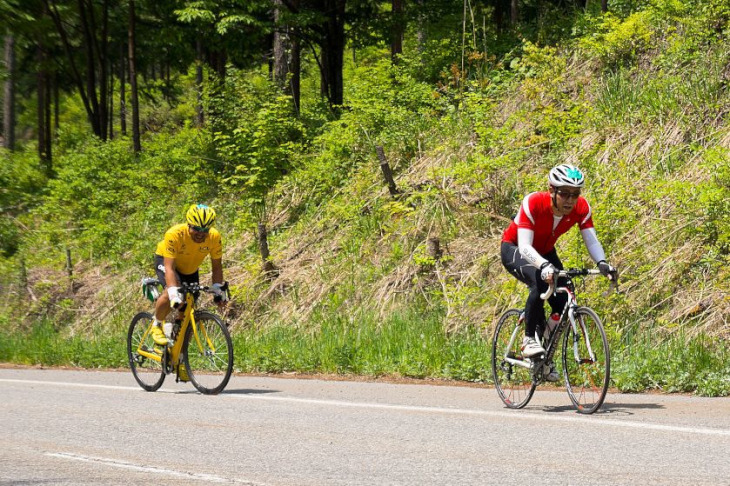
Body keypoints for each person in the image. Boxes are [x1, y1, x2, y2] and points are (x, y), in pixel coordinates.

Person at [500, 164, 616, 381]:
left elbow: (591, 238)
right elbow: (525, 246)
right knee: (539, 282)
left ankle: (545, 350)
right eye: (564, 193)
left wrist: (602, 263)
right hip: (515, 248)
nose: (570, 200)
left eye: (575, 194)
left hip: (545, 250)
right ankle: (528, 339)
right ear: (551, 190)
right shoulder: (533, 202)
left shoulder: (581, 208)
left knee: (564, 294)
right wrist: (543, 266)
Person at [150, 203, 227, 347]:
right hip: (166, 261)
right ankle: (157, 324)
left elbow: (216, 266)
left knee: (188, 311)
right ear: (188, 225)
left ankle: (179, 357)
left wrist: (217, 288)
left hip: (190, 269)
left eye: (205, 230)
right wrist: (173, 291)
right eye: (196, 229)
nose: (200, 233)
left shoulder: (214, 237)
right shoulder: (175, 234)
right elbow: (169, 267)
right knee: (171, 291)